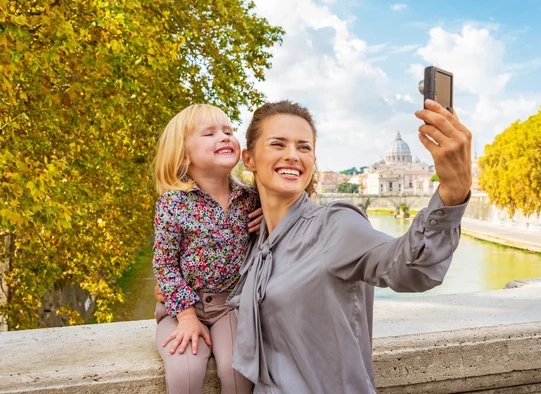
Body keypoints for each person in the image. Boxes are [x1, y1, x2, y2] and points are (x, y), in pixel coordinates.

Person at [227, 99, 472, 393]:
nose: (293, 155)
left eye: (304, 147)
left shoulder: (334, 225)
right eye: (278, 144)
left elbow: (412, 269)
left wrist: (453, 191)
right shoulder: (254, 237)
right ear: (249, 159)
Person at [152, 104, 261, 394]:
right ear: (184, 154)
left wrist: (270, 221)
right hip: (181, 309)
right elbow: (164, 264)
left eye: (228, 131)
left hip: (230, 307)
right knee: (185, 372)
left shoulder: (251, 198)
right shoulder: (173, 203)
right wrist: (186, 316)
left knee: (239, 370)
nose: (224, 137)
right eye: (209, 133)